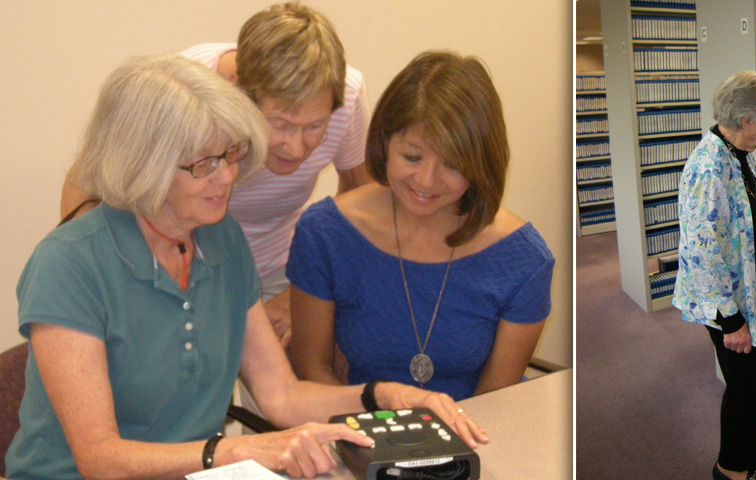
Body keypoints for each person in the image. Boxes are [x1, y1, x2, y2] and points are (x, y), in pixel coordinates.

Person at [6, 54, 486, 480]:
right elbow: (101, 461)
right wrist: (241, 449)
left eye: (231, 155)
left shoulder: (221, 239)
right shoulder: (69, 263)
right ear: (142, 164)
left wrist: (383, 396)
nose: (229, 176)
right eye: (204, 165)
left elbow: (281, 395)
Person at [60, 2, 374, 347]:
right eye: (280, 124)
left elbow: (362, 200)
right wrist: (98, 280)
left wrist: (302, 291)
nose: (297, 149)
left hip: (277, 265)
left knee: (277, 387)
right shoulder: (180, 89)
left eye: (315, 126)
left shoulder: (346, 95)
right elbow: (86, 181)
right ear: (236, 89)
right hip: (177, 262)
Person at [287, 50, 555, 402]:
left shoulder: (524, 259)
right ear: (384, 143)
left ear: (480, 164)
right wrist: (373, 441)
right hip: (359, 432)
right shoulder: (324, 233)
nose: (426, 181)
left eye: (452, 165)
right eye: (411, 157)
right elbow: (313, 371)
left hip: (473, 436)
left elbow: (496, 402)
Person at [672, 70, 756, 480]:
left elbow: (739, 213)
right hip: (728, 303)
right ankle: (732, 469)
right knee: (744, 385)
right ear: (746, 120)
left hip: (748, 290)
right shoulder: (709, 168)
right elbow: (703, 254)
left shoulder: (737, 154)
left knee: (754, 377)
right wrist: (732, 322)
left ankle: (749, 440)